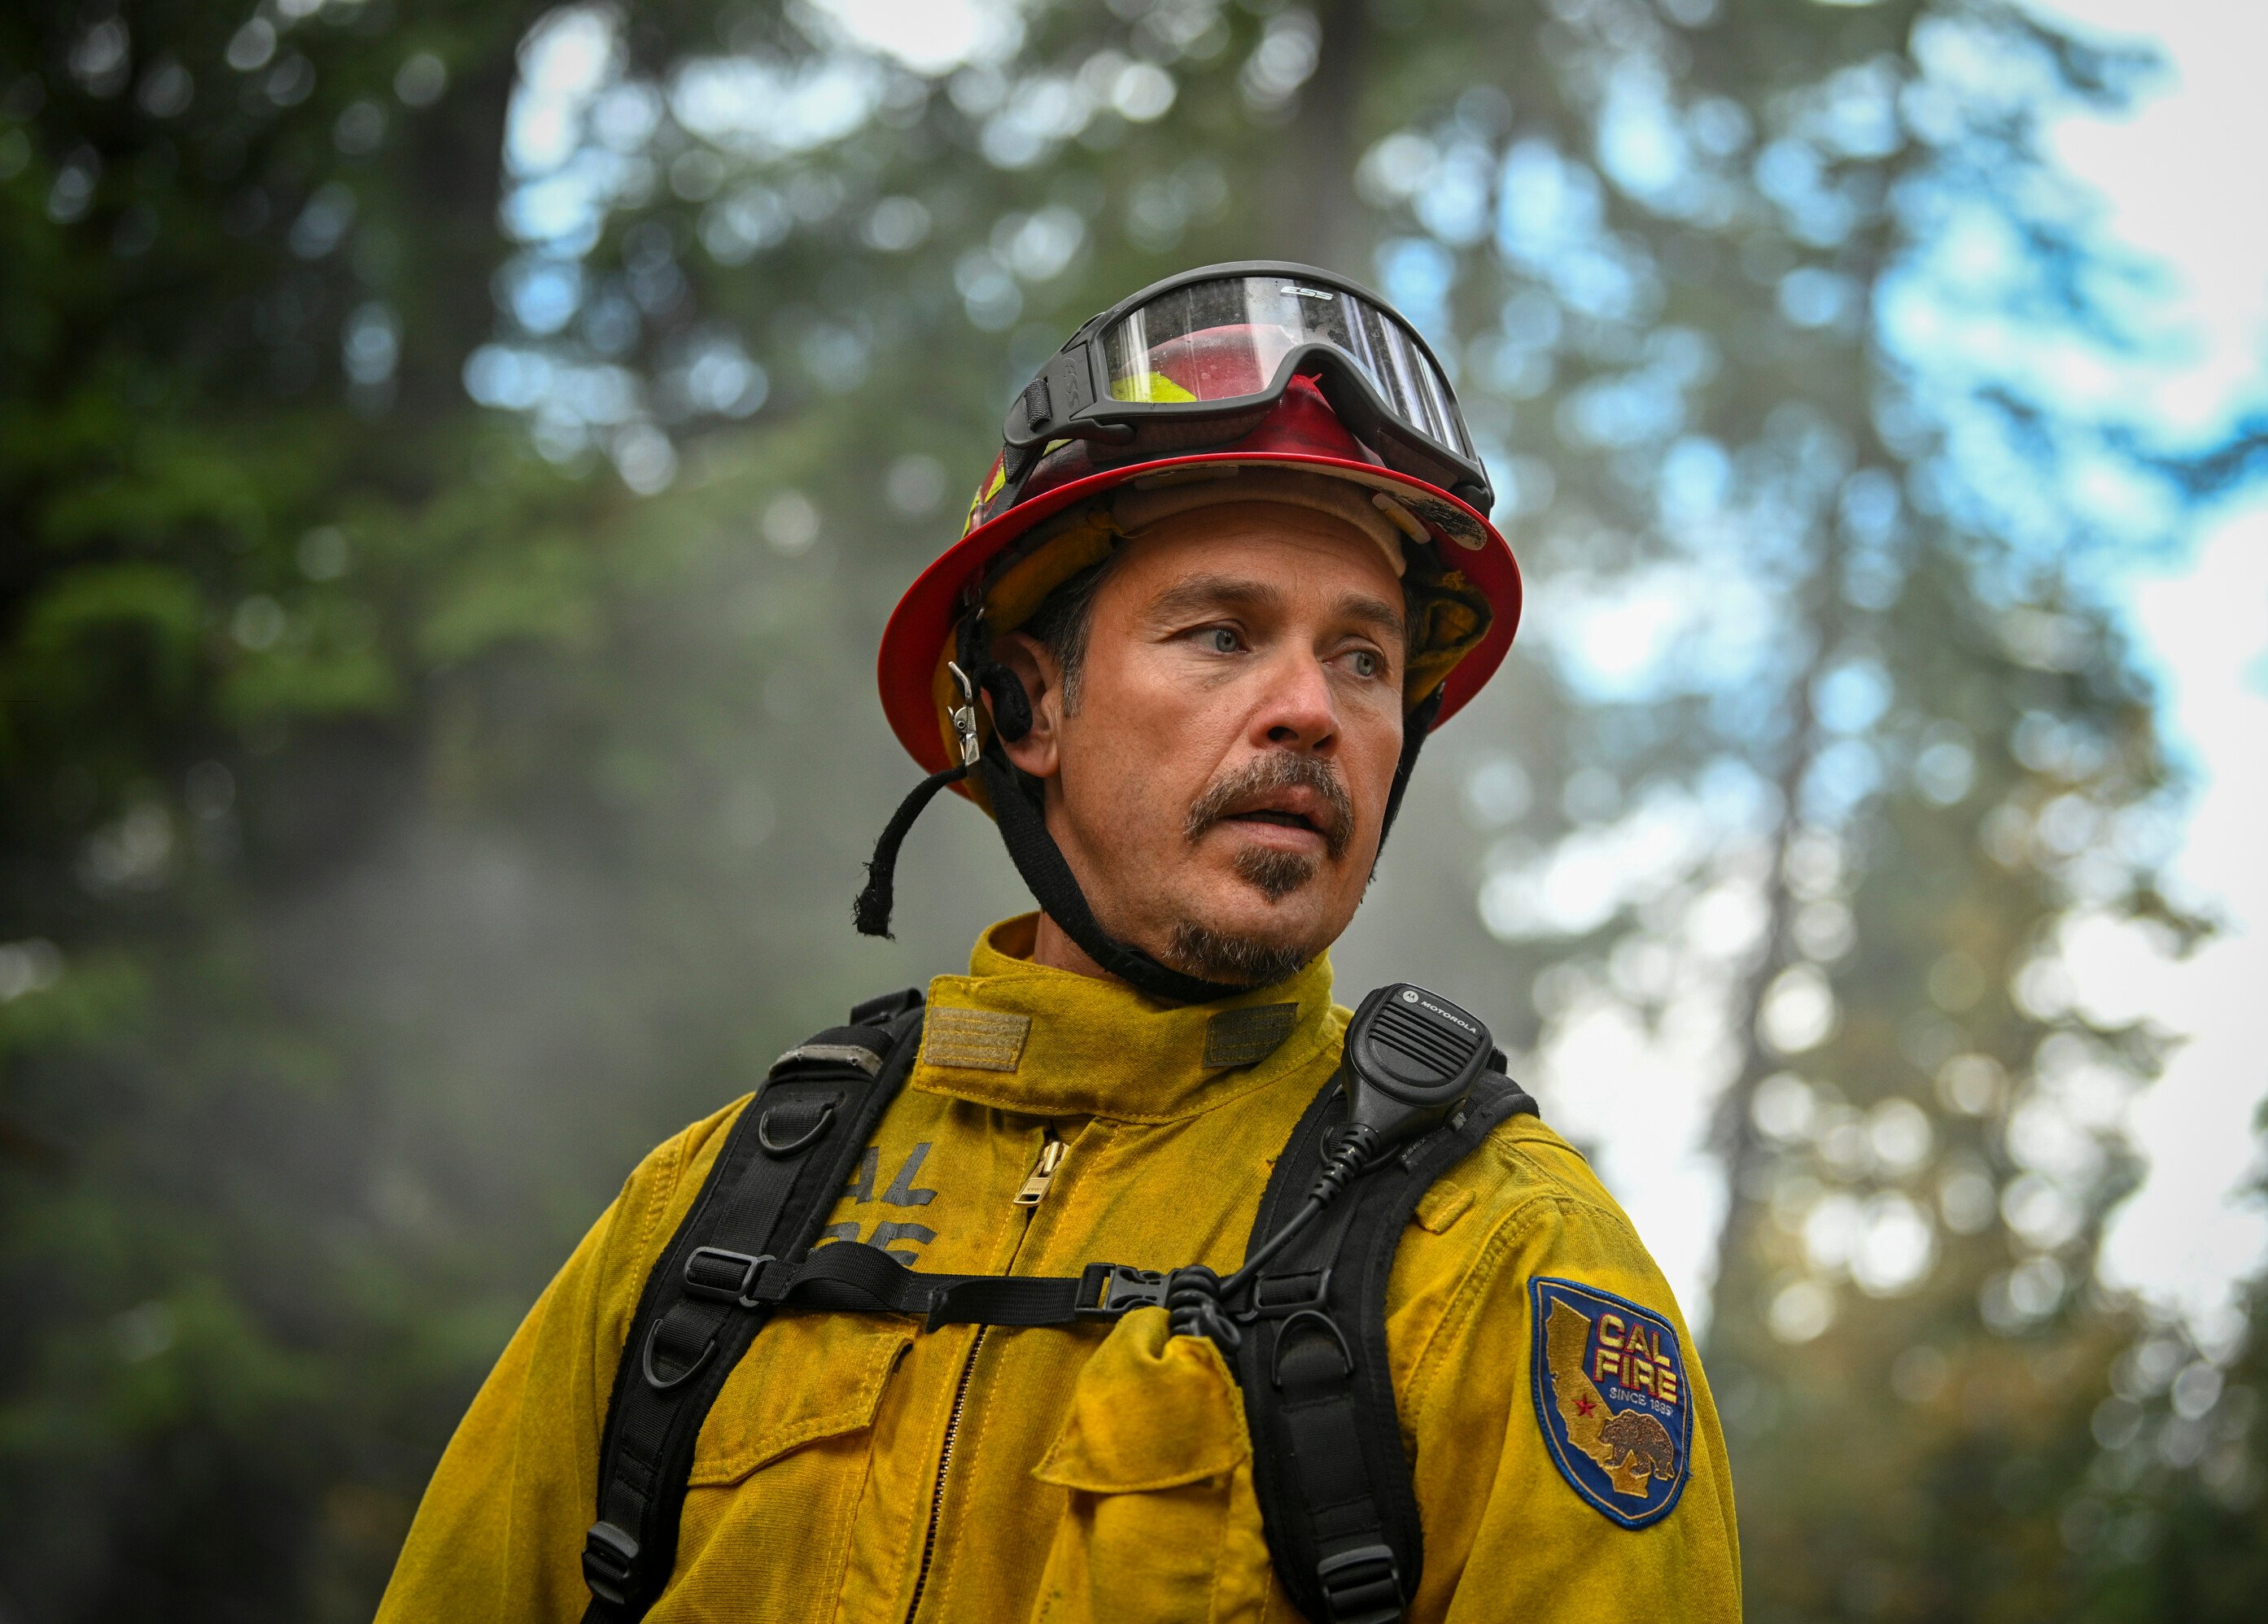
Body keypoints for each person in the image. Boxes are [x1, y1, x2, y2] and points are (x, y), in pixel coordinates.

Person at [377, 263, 1741, 1622]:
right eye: (1222, 634)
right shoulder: (712, 1214)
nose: (1310, 711)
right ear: (1026, 708)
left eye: (1364, 659)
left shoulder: (1503, 1259)